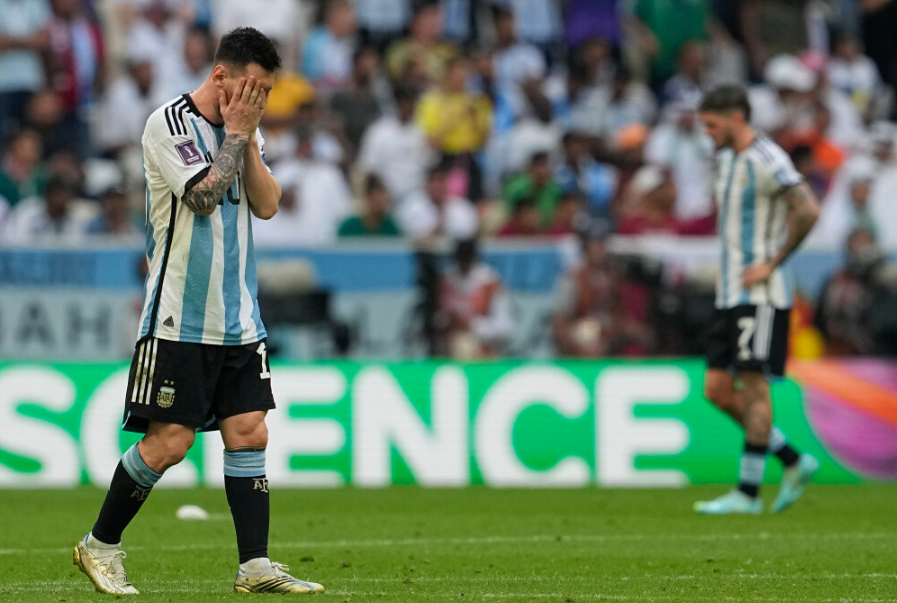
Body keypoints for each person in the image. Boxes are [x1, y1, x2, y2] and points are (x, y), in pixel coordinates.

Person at [72, 27, 324, 595]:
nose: (259, 99)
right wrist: (236, 134)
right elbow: (205, 196)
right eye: (252, 87)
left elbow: (268, 205)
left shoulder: (246, 129)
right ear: (220, 76)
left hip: (239, 317)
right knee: (171, 443)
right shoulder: (168, 123)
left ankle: (255, 566)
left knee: (250, 431)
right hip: (179, 317)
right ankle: (99, 545)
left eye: (266, 91)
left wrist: (246, 136)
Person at [694, 84, 821, 515]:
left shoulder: (768, 158)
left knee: (753, 387)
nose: (708, 133)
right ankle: (793, 459)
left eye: (712, 125)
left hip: (760, 294)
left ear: (736, 117)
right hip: (729, 292)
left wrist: (774, 262)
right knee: (716, 390)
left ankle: (747, 494)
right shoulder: (727, 159)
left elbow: (808, 210)